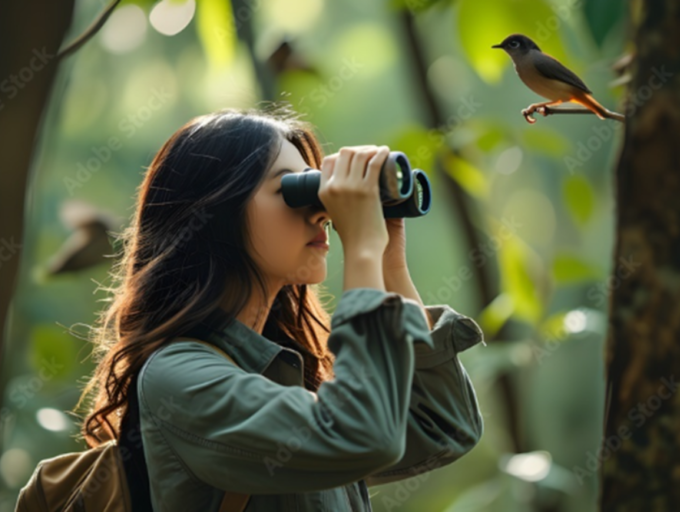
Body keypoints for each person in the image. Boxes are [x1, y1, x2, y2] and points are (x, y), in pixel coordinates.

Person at [72, 106, 486, 511]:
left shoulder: (289, 378)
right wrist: (361, 245)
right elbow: (366, 433)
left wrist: (387, 263)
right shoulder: (177, 377)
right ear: (217, 213)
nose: (322, 210)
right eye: (295, 189)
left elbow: (443, 424)